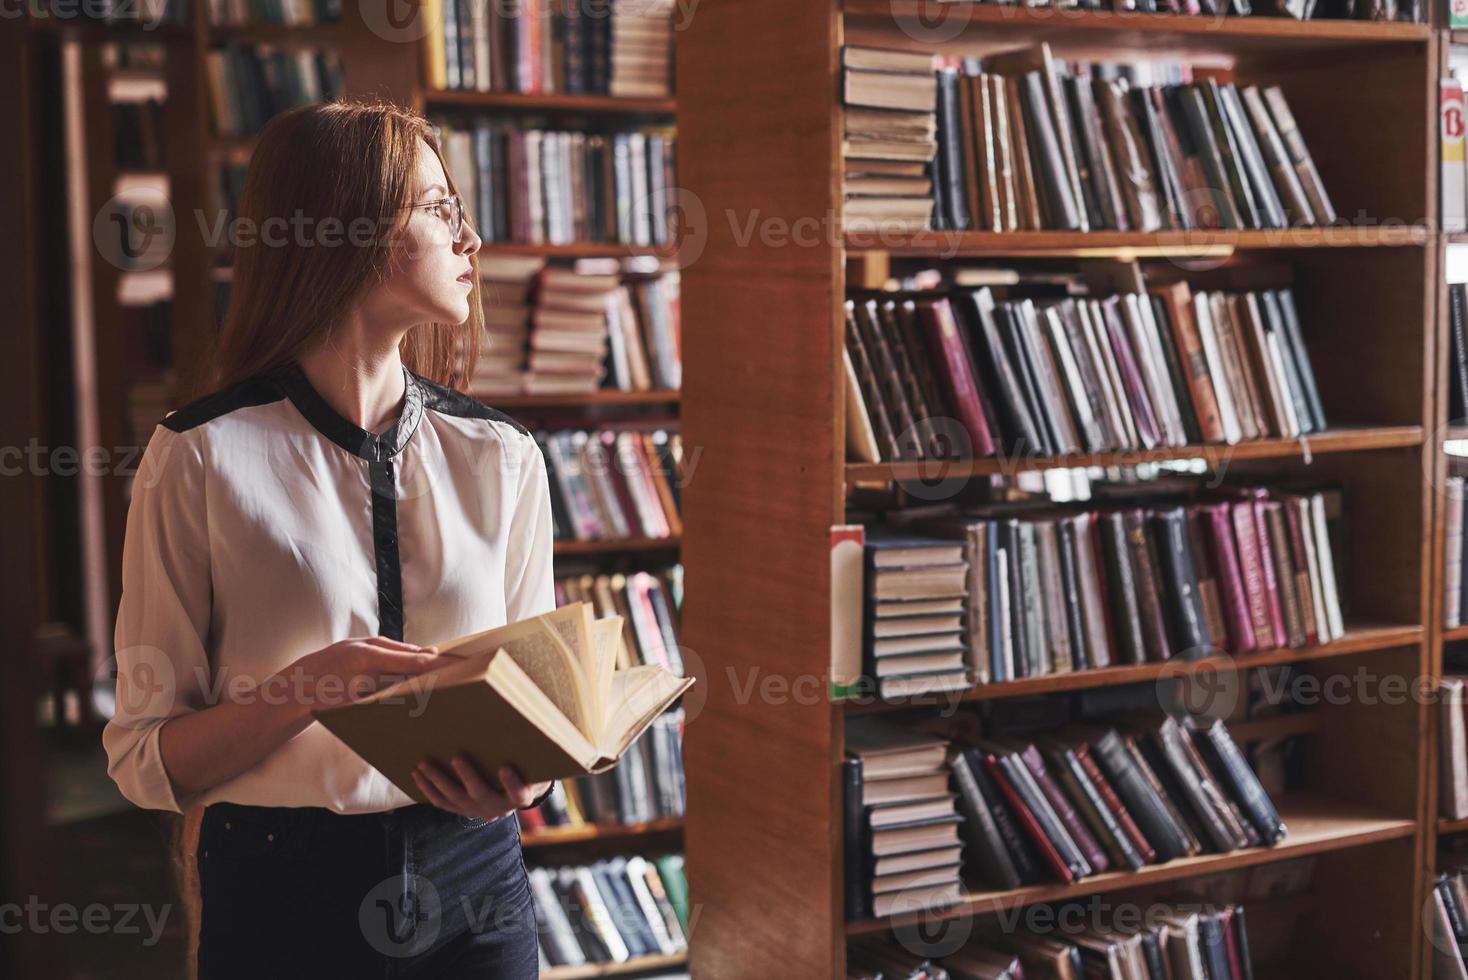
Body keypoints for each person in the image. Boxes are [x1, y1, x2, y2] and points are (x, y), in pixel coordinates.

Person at [101, 99, 553, 979]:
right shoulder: (198, 456)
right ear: (347, 226)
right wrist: (310, 687)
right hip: (279, 886)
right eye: (438, 209)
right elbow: (144, 758)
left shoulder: (504, 456)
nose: (469, 241)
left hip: (478, 877)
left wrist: (524, 781)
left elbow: (540, 718)